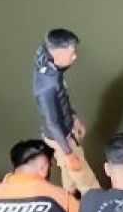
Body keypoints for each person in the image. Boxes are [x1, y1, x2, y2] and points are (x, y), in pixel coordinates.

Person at [33, 28, 101, 195]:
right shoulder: (46, 87)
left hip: (63, 129)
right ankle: (96, 209)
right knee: (87, 180)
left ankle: (68, 195)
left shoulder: (48, 60)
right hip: (60, 136)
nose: (75, 56)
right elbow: (52, 122)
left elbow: (61, 98)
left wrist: (73, 116)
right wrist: (69, 153)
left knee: (69, 171)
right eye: (71, 53)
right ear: (56, 53)